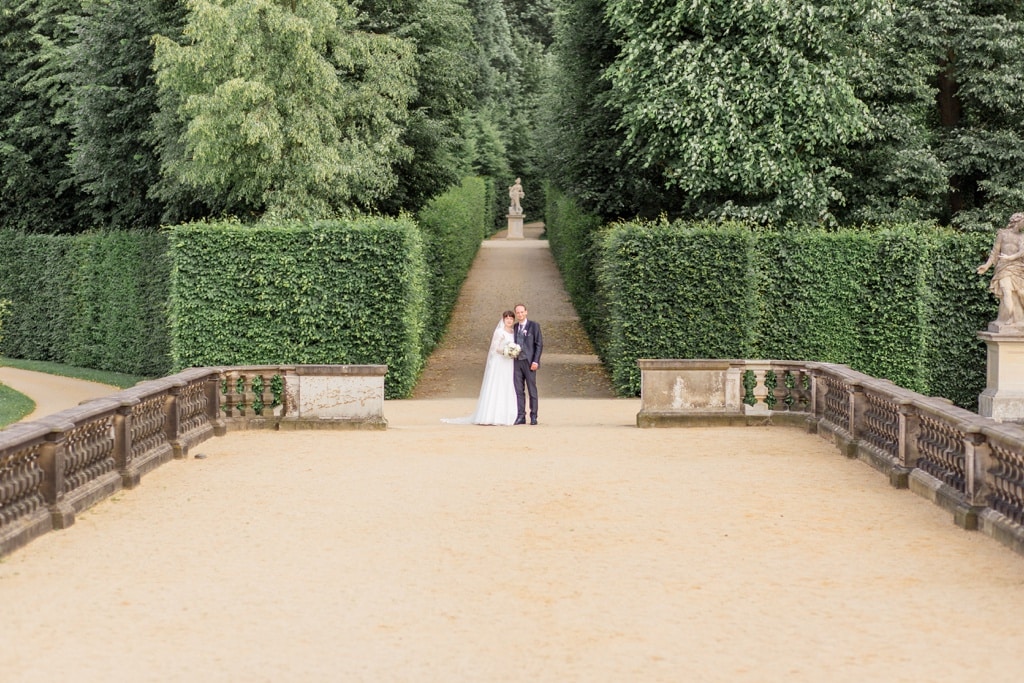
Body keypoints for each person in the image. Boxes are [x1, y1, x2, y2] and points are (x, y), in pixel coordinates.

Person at [441, 311, 519, 425]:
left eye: (511, 318)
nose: (509, 320)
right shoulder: (499, 332)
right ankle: (490, 415)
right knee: (497, 385)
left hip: (508, 363)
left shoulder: (513, 332)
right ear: (503, 319)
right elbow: (494, 348)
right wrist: (505, 351)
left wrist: (512, 352)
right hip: (500, 362)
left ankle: (505, 415)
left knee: (506, 385)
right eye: (507, 318)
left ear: (513, 320)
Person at [978, 212, 1024, 329]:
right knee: (1006, 291)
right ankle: (1010, 316)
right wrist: (986, 266)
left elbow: (1022, 252)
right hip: (1003, 268)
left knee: (1021, 294)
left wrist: (1010, 258)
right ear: (1017, 222)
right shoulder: (1002, 234)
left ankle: (1018, 318)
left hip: (1018, 268)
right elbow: (995, 252)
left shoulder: (1022, 237)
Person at [512, 303, 542, 425]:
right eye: (517, 312)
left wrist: (536, 361)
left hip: (529, 362)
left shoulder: (534, 326)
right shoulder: (514, 328)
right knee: (519, 390)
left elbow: (539, 345)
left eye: (521, 312)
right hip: (517, 362)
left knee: (532, 390)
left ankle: (534, 416)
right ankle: (521, 416)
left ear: (526, 312)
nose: (519, 314)